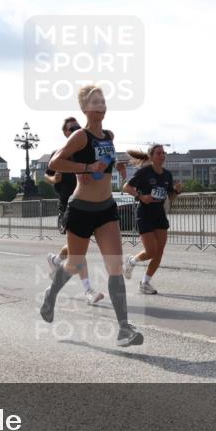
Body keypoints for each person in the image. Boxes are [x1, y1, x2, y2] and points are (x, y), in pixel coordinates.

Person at [40, 84, 142, 347]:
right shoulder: (80, 136)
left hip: (106, 208)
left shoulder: (109, 136)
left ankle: (123, 329)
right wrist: (85, 167)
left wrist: (115, 169)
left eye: (103, 101)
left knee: (115, 266)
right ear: (84, 108)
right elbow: (54, 163)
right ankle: (51, 294)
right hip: (81, 209)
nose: (101, 105)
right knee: (74, 264)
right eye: (95, 102)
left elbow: (103, 168)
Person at [45, 116, 104, 305]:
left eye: (78, 127)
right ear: (65, 133)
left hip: (87, 203)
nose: (76, 129)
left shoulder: (87, 151)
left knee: (76, 247)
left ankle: (56, 260)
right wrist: (55, 179)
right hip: (68, 204)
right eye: (72, 128)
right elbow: (47, 175)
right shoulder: (59, 153)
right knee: (79, 252)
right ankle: (88, 290)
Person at [122, 144, 183, 294]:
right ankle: (131, 261)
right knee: (151, 251)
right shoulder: (144, 172)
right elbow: (126, 187)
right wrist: (141, 196)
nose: (162, 155)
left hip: (159, 214)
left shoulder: (167, 175)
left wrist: (176, 191)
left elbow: (170, 197)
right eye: (158, 153)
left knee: (159, 251)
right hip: (145, 214)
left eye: (163, 153)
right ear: (151, 157)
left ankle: (145, 283)